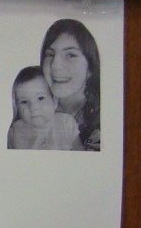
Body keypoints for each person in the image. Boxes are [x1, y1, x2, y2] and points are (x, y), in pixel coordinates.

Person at [40, 19, 101, 151]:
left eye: (70, 55)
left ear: (90, 68)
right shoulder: (31, 112)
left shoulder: (105, 120)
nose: (55, 65)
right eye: (50, 54)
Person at [6, 66, 83, 150]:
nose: (33, 107)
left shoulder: (66, 124)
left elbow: (80, 153)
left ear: (54, 101)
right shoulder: (15, 133)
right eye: (24, 102)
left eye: (40, 98)